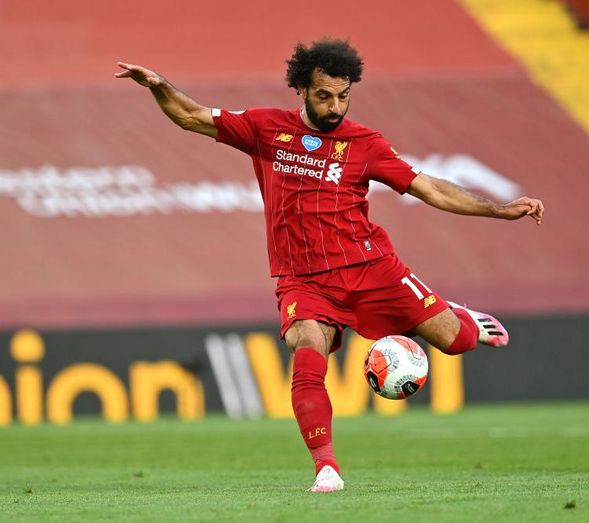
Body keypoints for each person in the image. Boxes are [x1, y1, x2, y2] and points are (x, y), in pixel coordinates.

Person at [115, 39, 544, 493]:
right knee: (306, 350)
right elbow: (190, 116)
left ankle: (460, 315)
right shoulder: (265, 128)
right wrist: (158, 86)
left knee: (456, 342)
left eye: (343, 95)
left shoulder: (365, 144)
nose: (334, 105)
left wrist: (498, 211)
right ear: (301, 89)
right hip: (303, 280)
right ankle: (327, 468)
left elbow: (431, 189)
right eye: (323, 95)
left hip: (371, 267)